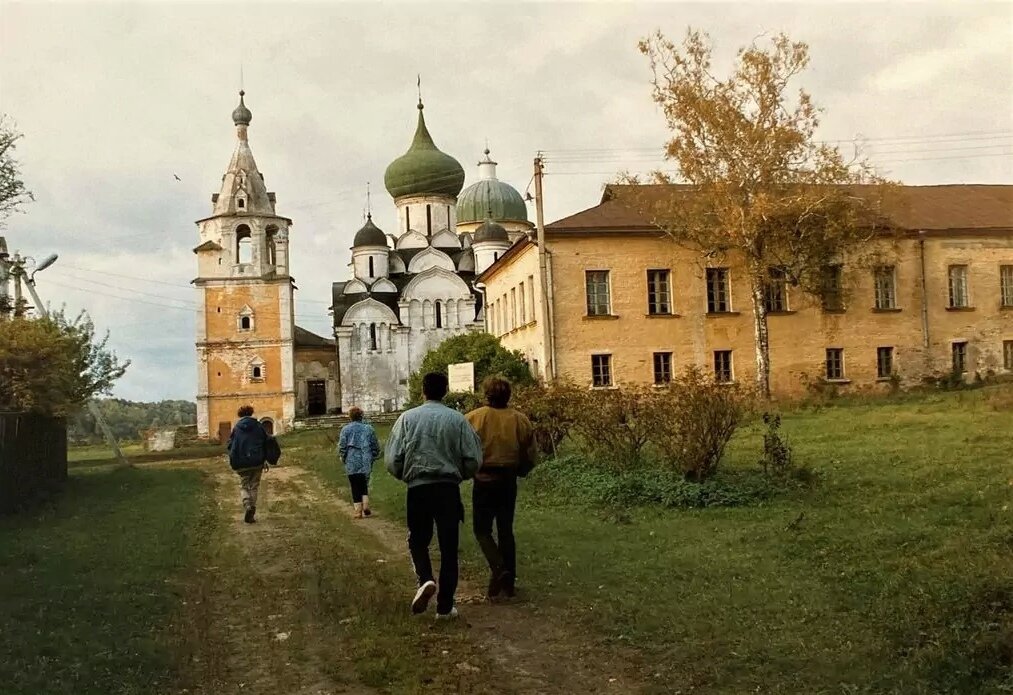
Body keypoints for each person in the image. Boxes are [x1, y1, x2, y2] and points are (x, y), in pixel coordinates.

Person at [385, 372, 483, 620]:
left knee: (418, 540)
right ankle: (445, 606)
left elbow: (392, 459)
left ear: (423, 391)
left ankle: (425, 579)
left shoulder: (407, 419)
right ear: (446, 391)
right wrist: (461, 474)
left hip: (418, 488)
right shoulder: (457, 420)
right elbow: (473, 458)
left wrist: (405, 475)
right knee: (449, 547)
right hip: (448, 489)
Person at [465, 377, 538, 598]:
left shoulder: (473, 419)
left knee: (482, 530)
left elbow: (465, 449)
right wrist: (522, 470)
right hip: (508, 479)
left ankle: (499, 568)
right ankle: (508, 583)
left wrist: (468, 470)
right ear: (509, 395)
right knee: (506, 529)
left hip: (484, 479)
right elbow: (530, 452)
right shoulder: (519, 419)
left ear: (486, 394)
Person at [227, 405, 281, 524]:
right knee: (254, 486)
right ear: (251, 413)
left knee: (244, 485)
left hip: (241, 463)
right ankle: (252, 509)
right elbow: (266, 443)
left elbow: (230, 445)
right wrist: (266, 459)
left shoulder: (236, 428)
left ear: (240, 415)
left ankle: (247, 504)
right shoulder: (258, 426)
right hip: (257, 461)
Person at [338, 406, 381, 519]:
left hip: (352, 459)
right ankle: (366, 505)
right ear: (361, 415)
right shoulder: (369, 429)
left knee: (354, 484)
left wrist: (343, 456)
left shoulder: (346, 429)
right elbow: (374, 444)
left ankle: (358, 510)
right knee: (363, 483)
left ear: (350, 417)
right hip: (365, 458)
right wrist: (375, 454)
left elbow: (342, 446)